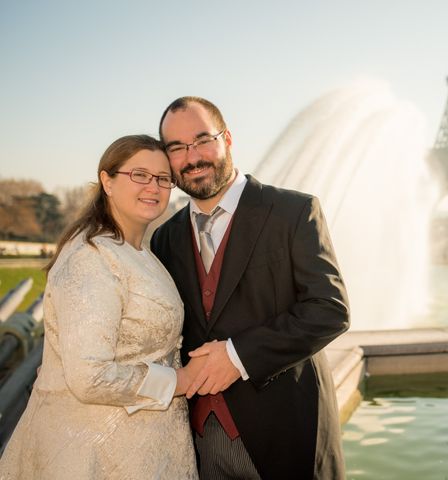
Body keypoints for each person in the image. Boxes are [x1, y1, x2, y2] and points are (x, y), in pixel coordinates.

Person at [151, 96, 350, 479]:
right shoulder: (165, 237)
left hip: (287, 435)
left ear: (227, 139)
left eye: (202, 140)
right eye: (177, 148)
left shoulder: (294, 212)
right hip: (197, 443)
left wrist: (238, 356)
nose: (192, 157)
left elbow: (330, 310)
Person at [0, 135, 199, 479]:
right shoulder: (92, 258)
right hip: (93, 456)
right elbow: (90, 377)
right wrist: (179, 381)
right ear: (107, 181)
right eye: (139, 174)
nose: (153, 186)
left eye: (163, 178)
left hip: (140, 451)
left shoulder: (139, 251)